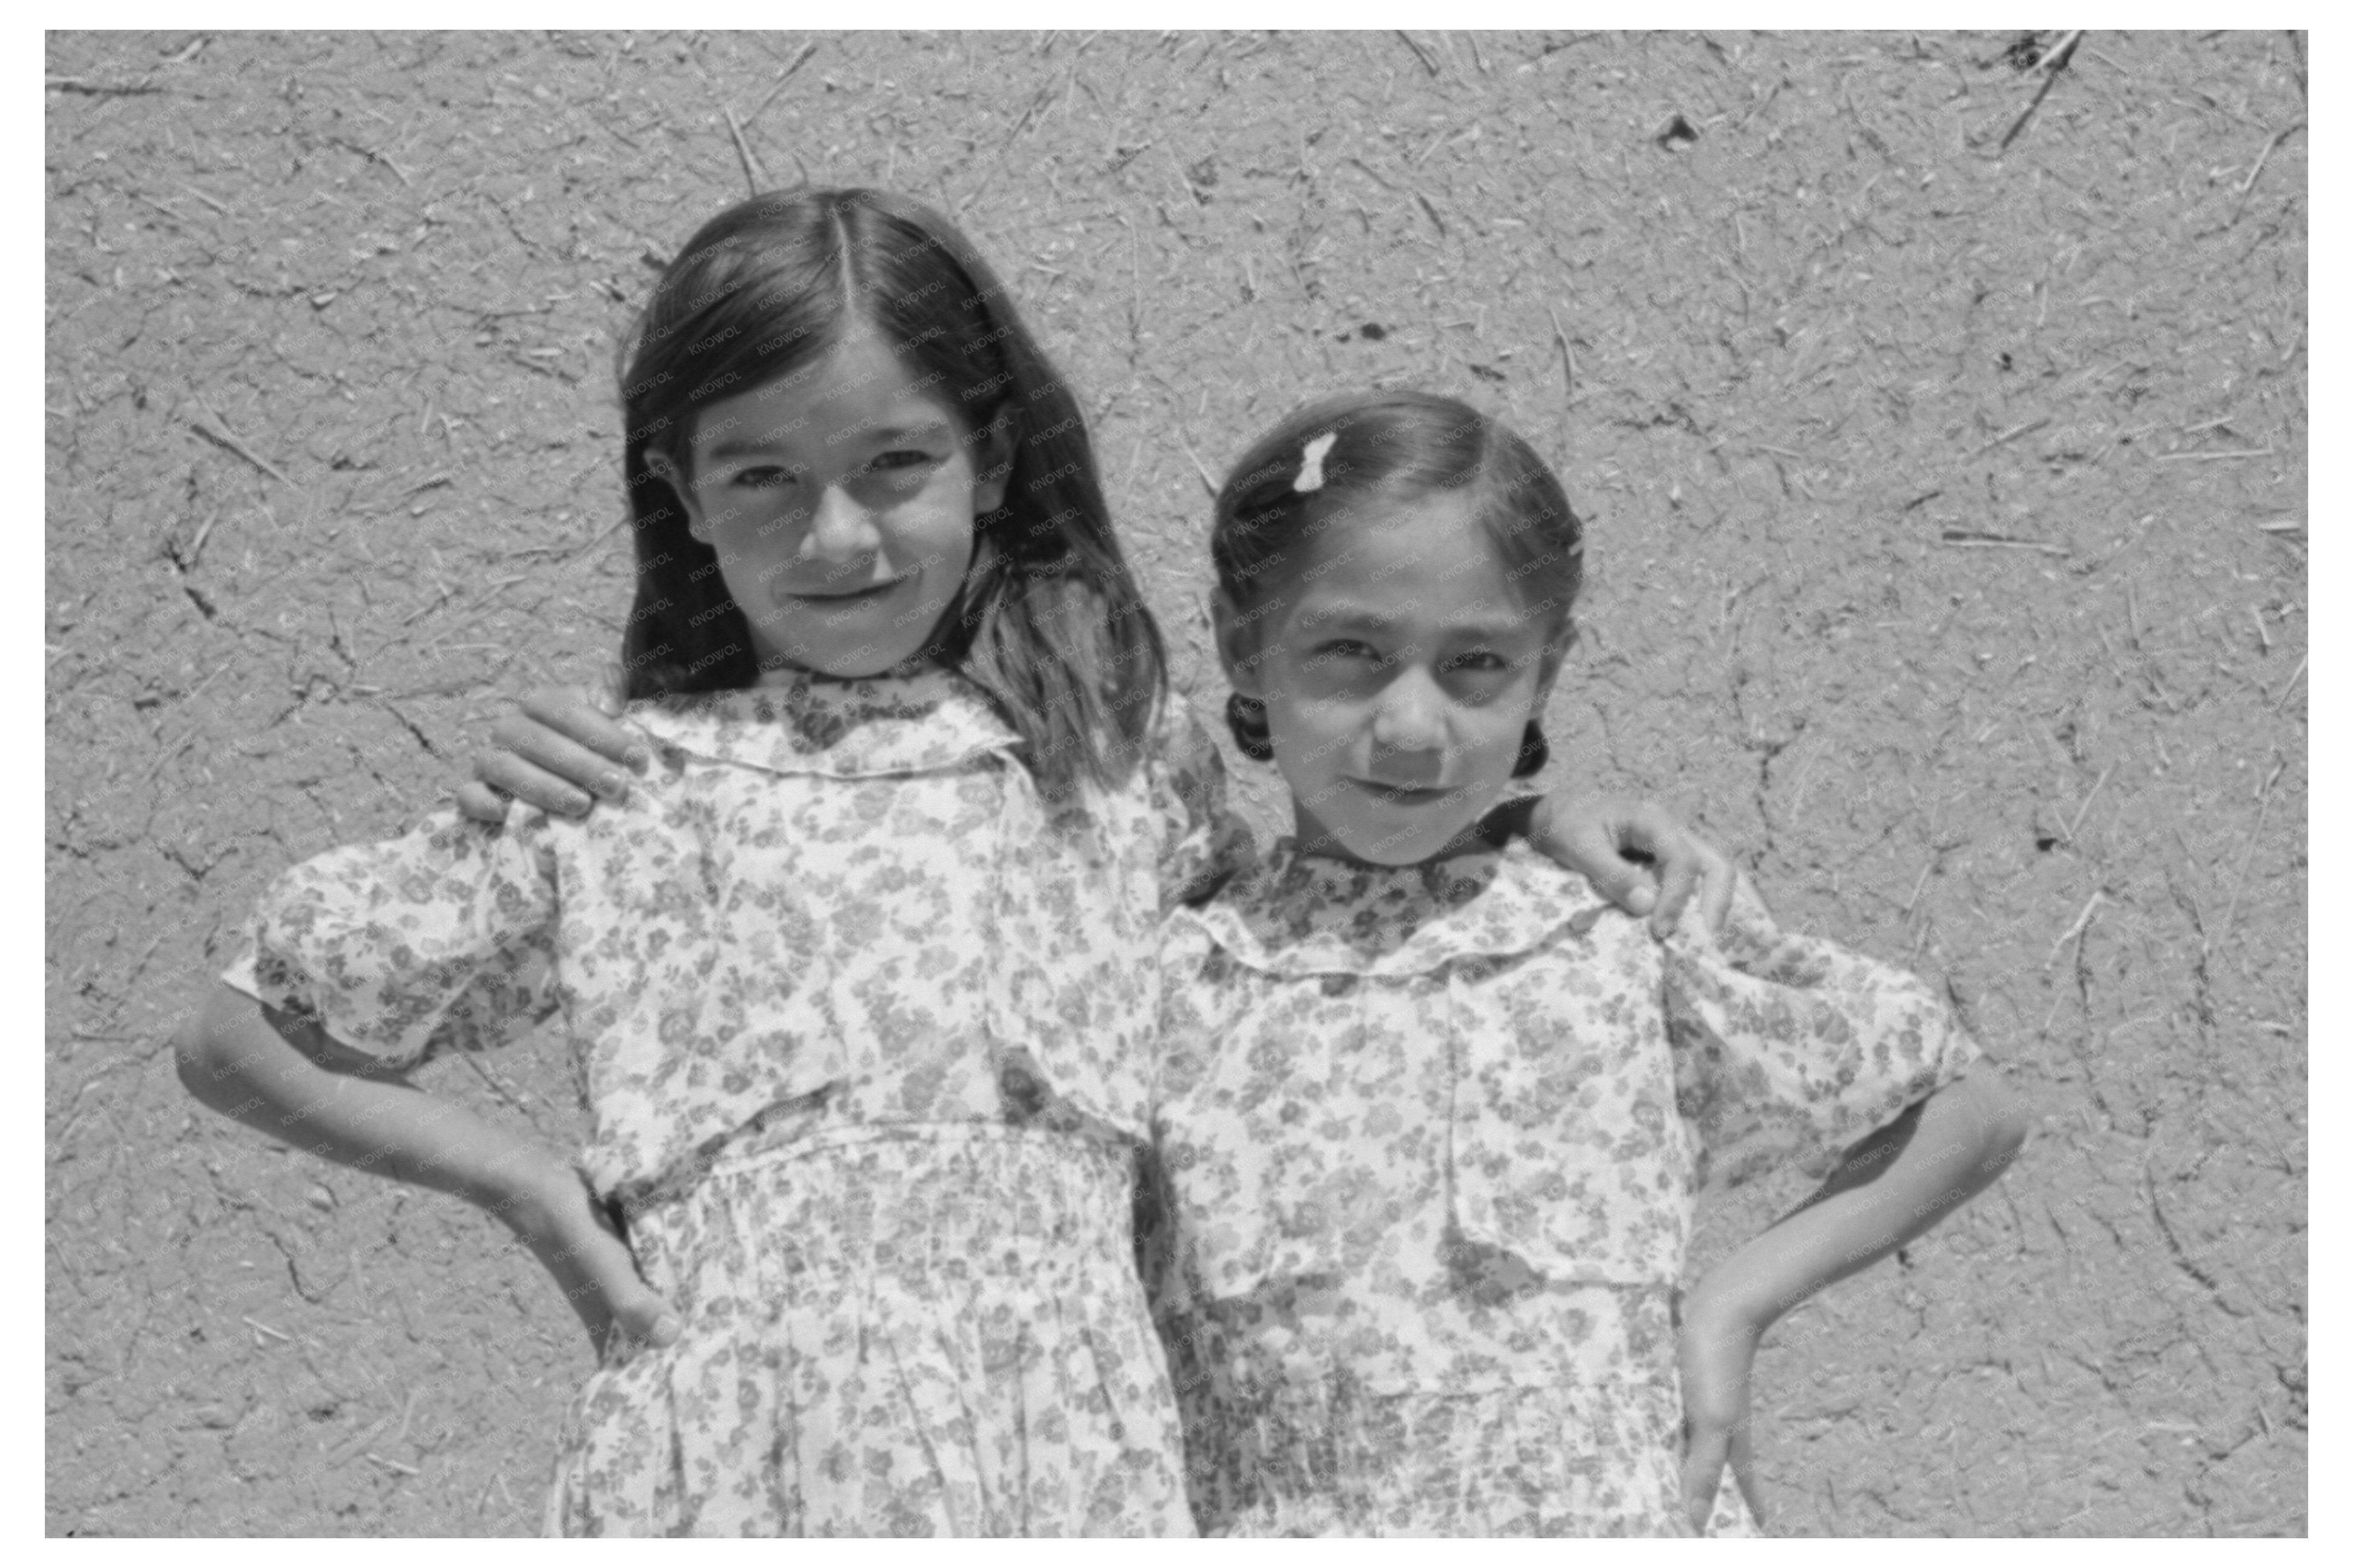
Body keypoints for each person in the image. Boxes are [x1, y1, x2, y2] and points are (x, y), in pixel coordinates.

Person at [175, 189, 1727, 1538]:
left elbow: (1305, 914)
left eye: (894, 462)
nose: (837, 538)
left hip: (1073, 1461)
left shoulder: (1110, 751)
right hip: (735, 1469)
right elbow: (237, 1036)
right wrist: (522, 1185)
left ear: (987, 458)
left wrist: (1521, 821)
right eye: (761, 477)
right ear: (680, 490)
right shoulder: (620, 791)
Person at [1135, 390, 2030, 1536]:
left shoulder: (1613, 934)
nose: (1412, 725)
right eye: (1351, 650)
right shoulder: (1176, 979)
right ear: (1240, 643)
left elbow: (1970, 1109)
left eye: (1476, 663)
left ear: (1545, 673)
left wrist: (1732, 1308)